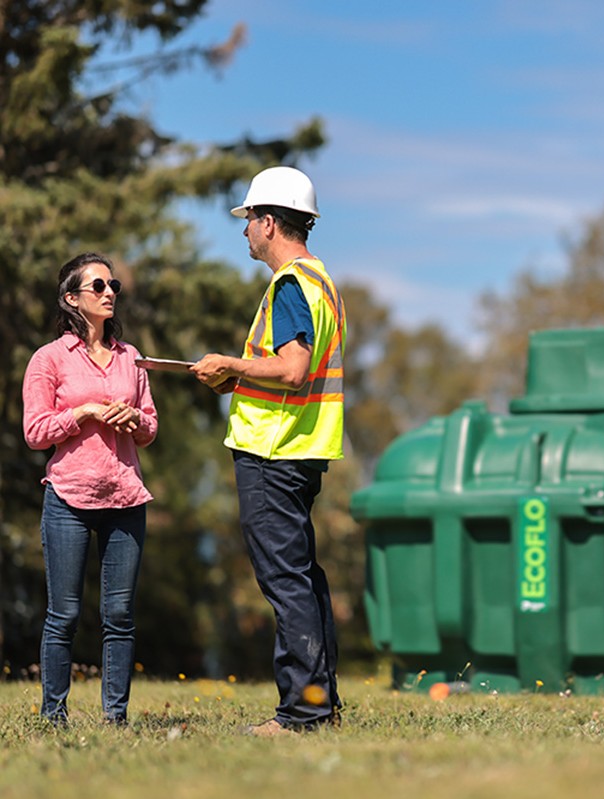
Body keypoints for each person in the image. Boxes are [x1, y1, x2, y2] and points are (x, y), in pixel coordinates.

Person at [191, 166, 346, 737]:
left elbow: (293, 368)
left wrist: (231, 364)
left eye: (250, 219)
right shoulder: (322, 282)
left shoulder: (289, 286)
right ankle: (320, 702)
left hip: (272, 453)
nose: (245, 231)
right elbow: (291, 373)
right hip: (302, 450)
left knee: (285, 581)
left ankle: (303, 712)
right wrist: (237, 380)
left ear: (271, 222)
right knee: (303, 576)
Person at [22, 252, 158, 726]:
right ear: (72, 298)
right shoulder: (49, 359)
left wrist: (134, 417)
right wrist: (82, 413)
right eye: (98, 286)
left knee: (119, 617)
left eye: (113, 286)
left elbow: (150, 427)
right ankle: (52, 716)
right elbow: (36, 432)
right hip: (68, 500)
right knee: (64, 615)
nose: (109, 293)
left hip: (126, 498)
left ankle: (115, 719)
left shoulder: (131, 358)